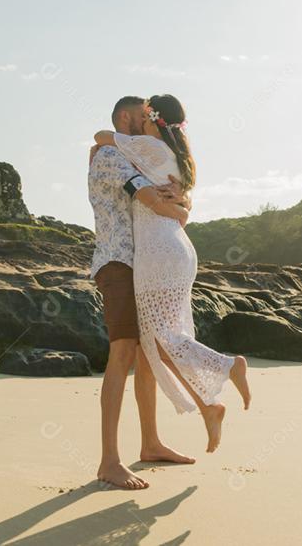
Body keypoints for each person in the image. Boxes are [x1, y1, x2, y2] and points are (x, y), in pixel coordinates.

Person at [93, 94, 251, 454]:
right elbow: (176, 200)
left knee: (162, 340)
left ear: (153, 120)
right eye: (135, 116)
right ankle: (187, 420)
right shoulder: (178, 158)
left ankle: (227, 366)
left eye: (144, 116)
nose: (139, 123)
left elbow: (103, 137)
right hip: (174, 250)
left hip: (156, 253)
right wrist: (181, 207)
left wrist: (175, 208)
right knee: (155, 344)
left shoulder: (144, 146)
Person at [87, 96, 195, 490]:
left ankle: (150, 443)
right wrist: (178, 208)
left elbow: (171, 194)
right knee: (124, 350)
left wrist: (181, 200)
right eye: (142, 116)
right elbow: (150, 198)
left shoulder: (135, 157)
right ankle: (109, 461)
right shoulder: (110, 156)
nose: (148, 123)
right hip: (118, 262)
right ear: (125, 118)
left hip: (142, 264)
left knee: (148, 353)